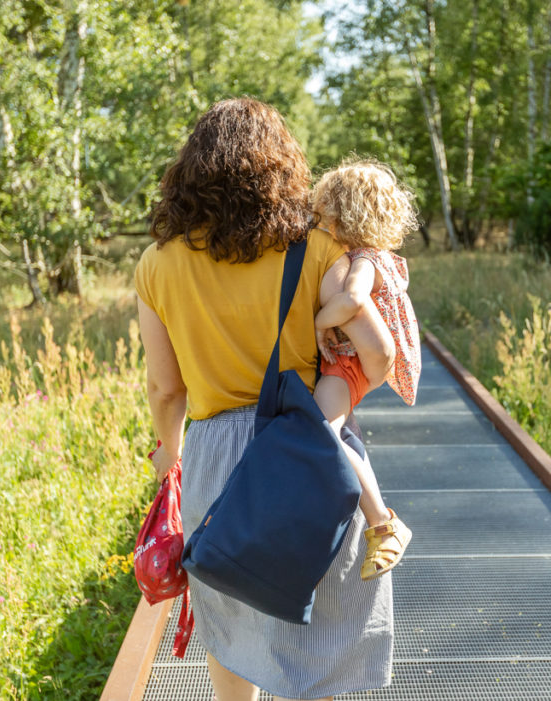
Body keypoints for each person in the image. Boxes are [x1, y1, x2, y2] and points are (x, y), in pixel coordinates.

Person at [134, 98, 396, 701]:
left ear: (189, 171)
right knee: (323, 625)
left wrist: (167, 454)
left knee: (231, 625)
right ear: (280, 166)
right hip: (303, 446)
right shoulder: (315, 246)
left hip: (213, 459)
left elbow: (165, 387)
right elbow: (377, 354)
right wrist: (345, 382)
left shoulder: (157, 263)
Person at [310, 159, 422, 581]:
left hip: (349, 365)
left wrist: (319, 321)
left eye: (323, 214)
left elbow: (353, 301)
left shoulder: (363, 261)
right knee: (336, 431)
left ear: (341, 215)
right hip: (357, 364)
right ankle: (379, 523)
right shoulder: (386, 257)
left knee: (323, 428)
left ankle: (384, 525)